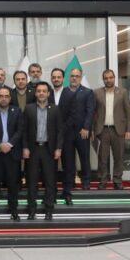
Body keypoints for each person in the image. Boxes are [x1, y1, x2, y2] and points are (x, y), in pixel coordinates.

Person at [23, 82, 63, 220]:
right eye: (39, 91)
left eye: (44, 91)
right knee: (32, 181)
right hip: (33, 149)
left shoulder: (55, 109)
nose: (41, 93)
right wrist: (25, 147)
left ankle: (49, 209)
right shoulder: (28, 109)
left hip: (49, 149)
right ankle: (31, 210)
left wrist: (58, 148)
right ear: (35, 93)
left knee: (50, 181)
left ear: (48, 94)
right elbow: (23, 130)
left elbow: (60, 130)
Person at [0, 86, 24, 221]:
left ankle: (13, 210)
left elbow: (20, 130)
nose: (3, 99)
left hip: (12, 154)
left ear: (10, 98)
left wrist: (9, 144)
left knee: (13, 185)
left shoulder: (17, 111)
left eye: (6, 96)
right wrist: (0, 144)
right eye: (1, 96)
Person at [58, 68, 95, 203]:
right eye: (72, 76)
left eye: (77, 76)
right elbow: (61, 111)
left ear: (80, 77)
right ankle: (70, 182)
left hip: (82, 132)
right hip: (67, 132)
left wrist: (86, 127)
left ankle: (86, 181)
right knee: (68, 160)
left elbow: (90, 111)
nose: (74, 78)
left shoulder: (88, 92)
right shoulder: (65, 91)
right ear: (69, 77)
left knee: (84, 157)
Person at [94, 69, 130, 190]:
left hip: (119, 130)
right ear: (103, 79)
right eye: (106, 78)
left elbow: (128, 112)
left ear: (114, 78)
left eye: (110, 77)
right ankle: (103, 180)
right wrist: (92, 130)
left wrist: (129, 130)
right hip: (103, 130)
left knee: (119, 157)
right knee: (102, 158)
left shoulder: (123, 92)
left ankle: (117, 180)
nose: (108, 80)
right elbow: (93, 112)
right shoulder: (97, 93)